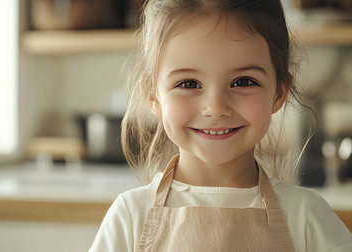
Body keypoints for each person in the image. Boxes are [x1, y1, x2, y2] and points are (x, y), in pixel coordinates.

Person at [90, 0, 352, 251]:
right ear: (153, 97)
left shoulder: (307, 217)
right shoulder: (130, 215)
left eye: (243, 81)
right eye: (189, 84)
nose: (215, 108)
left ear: (279, 92)